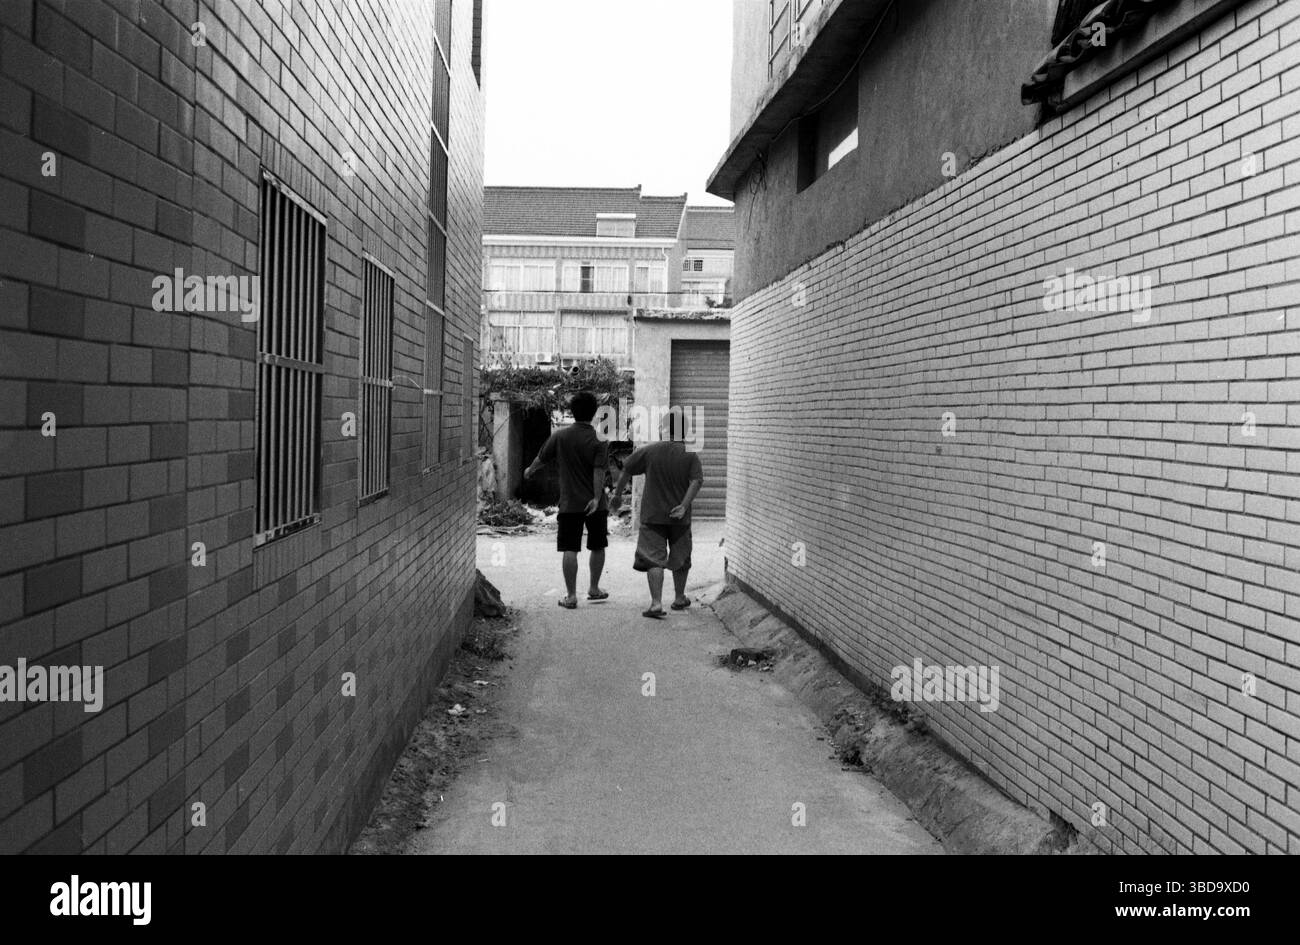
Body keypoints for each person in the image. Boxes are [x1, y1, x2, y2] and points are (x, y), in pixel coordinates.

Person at [609, 410, 704, 619]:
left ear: (663, 429)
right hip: (680, 518)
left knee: (653, 559)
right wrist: (683, 505)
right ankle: (679, 598)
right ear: (684, 431)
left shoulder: (650, 451)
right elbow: (696, 481)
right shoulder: (690, 454)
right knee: (680, 557)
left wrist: (617, 495)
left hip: (653, 516)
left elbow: (626, 469)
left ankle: (656, 603)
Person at [524, 390, 609, 609]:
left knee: (570, 547)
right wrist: (596, 498)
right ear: (594, 413)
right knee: (597, 545)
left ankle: (571, 596)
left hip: (570, 502)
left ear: (572, 412)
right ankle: (594, 588)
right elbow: (599, 471)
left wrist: (529, 471)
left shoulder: (560, 436)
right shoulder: (599, 439)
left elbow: (541, 458)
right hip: (595, 504)